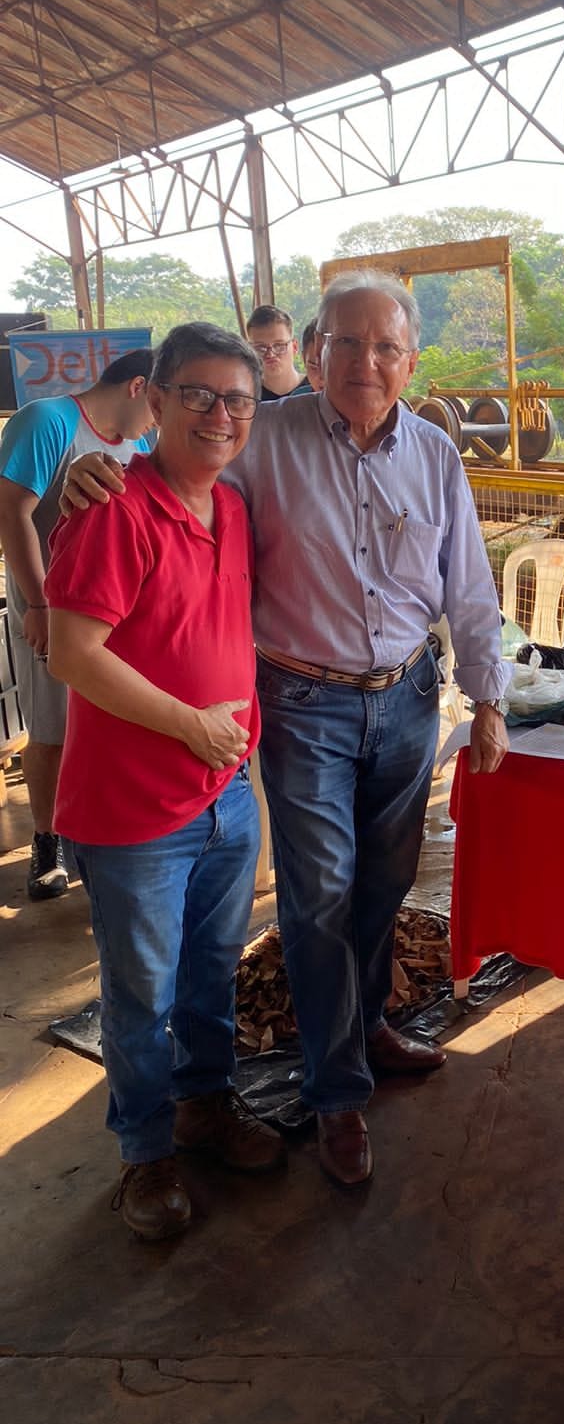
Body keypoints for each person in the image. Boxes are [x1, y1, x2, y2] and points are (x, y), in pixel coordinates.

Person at [64, 272, 509, 1190]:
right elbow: (178, 459)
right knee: (317, 897)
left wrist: (488, 696)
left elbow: (468, 585)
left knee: (384, 882)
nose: (365, 364)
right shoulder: (265, 442)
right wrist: (91, 467)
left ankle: (369, 1025)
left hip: (408, 697)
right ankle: (336, 1092)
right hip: (301, 702)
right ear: (313, 354)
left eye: (384, 347)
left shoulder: (434, 453)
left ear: (410, 360)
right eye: (345, 344)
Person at [45, 323, 282, 1240]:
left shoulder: (232, 509)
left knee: (211, 974)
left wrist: (229, 756)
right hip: (135, 811)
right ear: (152, 397)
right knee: (140, 991)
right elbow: (73, 653)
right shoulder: (113, 508)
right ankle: (145, 1154)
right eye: (198, 396)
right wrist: (191, 726)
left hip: (222, 796)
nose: (219, 417)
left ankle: (206, 1107)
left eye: (237, 401)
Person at [0, 349, 155, 899]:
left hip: (112, 610)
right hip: (51, 603)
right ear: (138, 385)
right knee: (52, 727)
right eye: (156, 404)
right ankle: (46, 839)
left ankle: (93, 829)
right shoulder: (49, 420)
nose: (157, 419)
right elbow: (12, 509)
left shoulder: (138, 443)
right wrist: (39, 604)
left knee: (104, 719)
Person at [247, 305, 311, 401]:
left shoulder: (315, 390)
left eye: (279, 346)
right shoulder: (247, 397)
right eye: (260, 348)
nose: (270, 354)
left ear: (294, 347)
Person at [300, 319, 324, 392]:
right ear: (304, 359)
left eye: (332, 368)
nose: (322, 378)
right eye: (314, 368)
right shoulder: (296, 401)